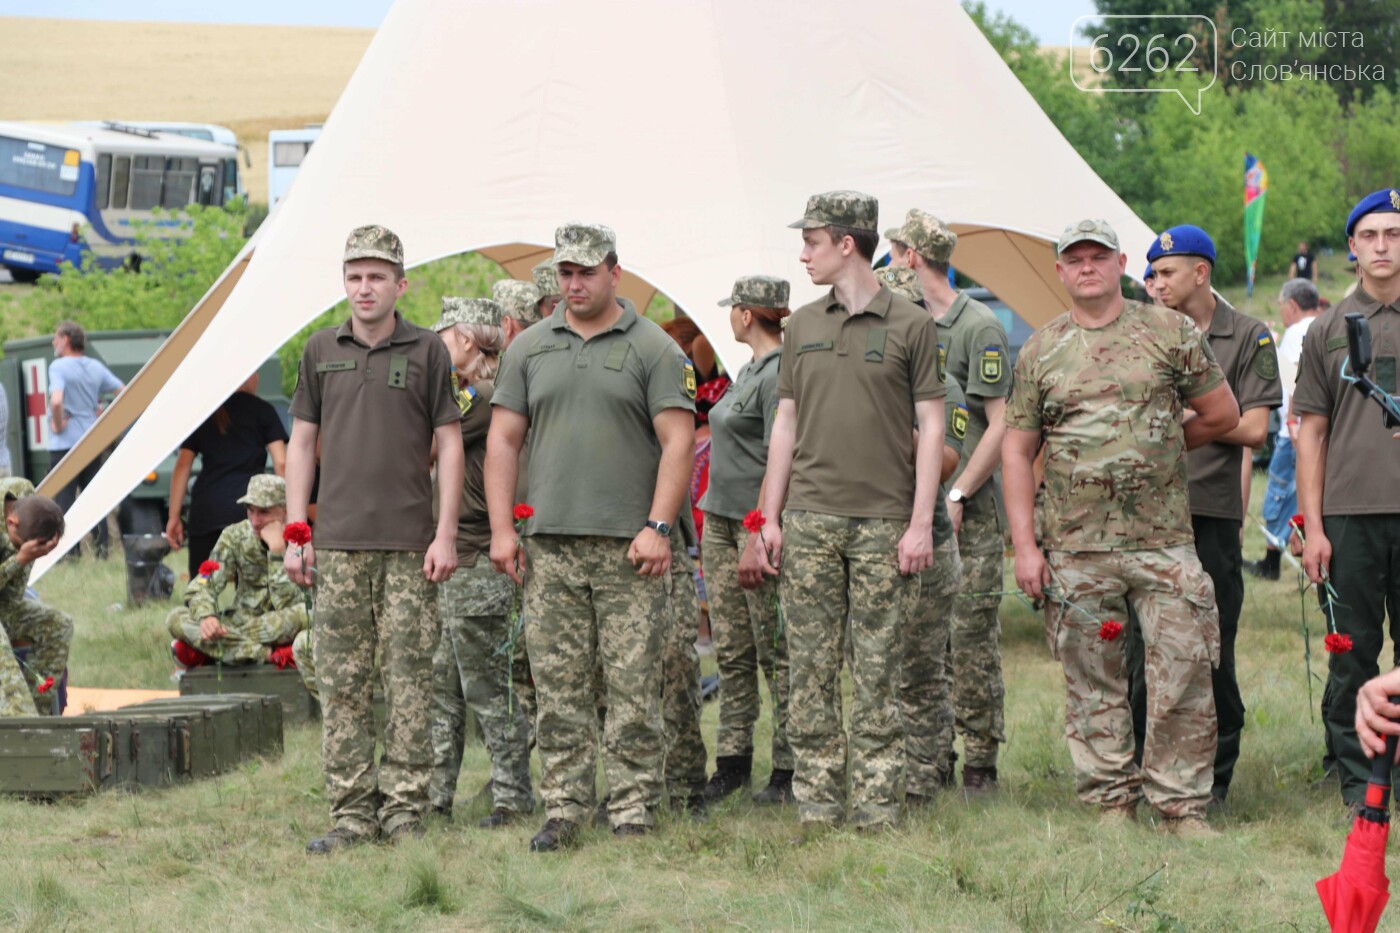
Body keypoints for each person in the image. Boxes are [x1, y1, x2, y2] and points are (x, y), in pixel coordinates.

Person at [1002, 219, 1239, 836]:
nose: (1087, 267)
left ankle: (1181, 807)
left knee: (1184, 670)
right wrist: (1025, 547)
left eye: (1098, 256)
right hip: (1076, 547)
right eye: (1074, 258)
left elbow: (1221, 412)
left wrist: (1156, 450)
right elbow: (1016, 451)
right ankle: (1110, 800)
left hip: (1163, 543)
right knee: (1091, 677)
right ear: (1059, 270)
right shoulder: (1041, 349)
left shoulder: (1168, 330)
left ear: (1121, 263)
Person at [486, 222, 695, 851]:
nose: (573, 284)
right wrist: (502, 530)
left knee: (633, 686)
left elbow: (678, 441)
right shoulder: (530, 349)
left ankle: (632, 807)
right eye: (564, 274)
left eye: (585, 272)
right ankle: (565, 807)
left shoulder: (655, 348)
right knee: (558, 687)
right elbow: (502, 439)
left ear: (614, 273)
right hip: (548, 546)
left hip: (630, 549)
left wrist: (659, 526)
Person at [758, 191, 945, 831]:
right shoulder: (802, 326)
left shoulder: (912, 324)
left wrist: (921, 523)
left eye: (811, 241)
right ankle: (816, 801)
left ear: (846, 244)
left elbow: (931, 423)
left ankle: (874, 805)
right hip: (809, 517)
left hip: (884, 523)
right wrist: (769, 517)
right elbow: (785, 424)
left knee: (878, 667)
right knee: (808, 669)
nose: (802, 254)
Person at [285, 225, 463, 854]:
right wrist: (296, 530)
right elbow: (303, 444)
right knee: (344, 683)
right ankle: (353, 814)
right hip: (335, 545)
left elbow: (449, 442)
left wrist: (445, 534)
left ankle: (405, 812)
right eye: (355, 276)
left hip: (411, 545)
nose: (365, 288)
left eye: (377, 276)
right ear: (345, 282)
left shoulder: (428, 353)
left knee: (411, 679)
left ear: (400, 284)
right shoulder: (319, 349)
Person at [1136, 224, 1280, 807]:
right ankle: (1145, 771)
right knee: (1140, 648)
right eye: (1151, 274)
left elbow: (1252, 426)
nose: (1155, 284)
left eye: (1167, 273)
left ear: (1201, 273)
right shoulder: (1137, 334)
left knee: (1211, 644)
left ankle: (1215, 778)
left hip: (1209, 510)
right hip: (1142, 514)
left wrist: (1169, 433)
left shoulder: (1247, 336)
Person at [888, 207, 1011, 793]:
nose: (889, 261)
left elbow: (1001, 424)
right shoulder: (899, 321)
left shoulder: (975, 325)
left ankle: (981, 760)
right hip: (915, 509)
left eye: (894, 251)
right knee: (922, 641)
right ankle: (931, 757)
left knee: (969, 638)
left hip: (972, 514)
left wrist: (958, 492)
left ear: (912, 256)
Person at [1294, 188, 1400, 813]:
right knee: (1353, 649)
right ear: (1354, 247)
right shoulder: (1328, 330)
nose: (1384, 246)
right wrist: (1314, 525)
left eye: (1395, 233)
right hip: (1350, 516)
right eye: (1372, 235)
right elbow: (1312, 431)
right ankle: (1359, 776)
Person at [424, 296, 535, 830]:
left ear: (466, 341)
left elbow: (423, 445)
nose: (433, 346)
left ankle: (513, 798)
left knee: (488, 689)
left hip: (474, 561)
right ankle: (434, 796)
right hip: (460, 562)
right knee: (445, 688)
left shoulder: (481, 395)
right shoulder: (475, 394)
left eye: (441, 336)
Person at [698, 274, 793, 805]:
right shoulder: (748, 371)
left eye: (732, 310)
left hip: (751, 523)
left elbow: (777, 455)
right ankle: (732, 762)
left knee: (774, 650)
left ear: (746, 314)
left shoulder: (780, 372)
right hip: (720, 519)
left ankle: (788, 767)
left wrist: (759, 532)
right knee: (733, 651)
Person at [903, 377, 970, 803]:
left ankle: (926, 777)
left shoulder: (942, 384)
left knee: (923, 671)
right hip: (868, 536)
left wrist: (886, 412)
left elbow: (947, 462)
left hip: (931, 545)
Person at [166, 474, 308, 667]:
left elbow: (288, 603)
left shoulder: (302, 539)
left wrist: (277, 553)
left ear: (285, 511)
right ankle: (270, 655)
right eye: (250, 511)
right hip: (243, 620)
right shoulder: (235, 535)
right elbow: (204, 583)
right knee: (175, 617)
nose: (255, 521)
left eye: (264, 512)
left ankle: (211, 650)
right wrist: (207, 617)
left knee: (306, 615)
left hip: (285, 623)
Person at [166, 372, 289, 576]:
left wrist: (173, 516)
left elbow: (182, 465)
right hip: (250, 510)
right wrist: (285, 509)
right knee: (254, 584)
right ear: (246, 375)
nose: (258, 378)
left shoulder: (203, 412)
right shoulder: (263, 410)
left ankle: (198, 608)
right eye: (256, 373)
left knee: (202, 582)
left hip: (207, 509)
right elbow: (282, 462)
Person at [1245, 278, 1323, 580]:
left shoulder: (1295, 332)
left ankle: (1271, 562)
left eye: (1282, 306)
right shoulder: (1327, 324)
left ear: (1292, 305)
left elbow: (1294, 378)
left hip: (1296, 431)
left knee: (1278, 491)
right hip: (1317, 430)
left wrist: (1291, 420)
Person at [47, 320, 124, 559]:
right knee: (93, 496)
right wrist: (103, 416)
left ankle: (69, 553)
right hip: (92, 440)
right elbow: (123, 391)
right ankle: (102, 550)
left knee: (65, 499)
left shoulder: (58, 367)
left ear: (66, 340)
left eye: (56, 338)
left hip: (65, 444)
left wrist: (58, 424)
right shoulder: (95, 366)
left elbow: (57, 400)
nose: (53, 342)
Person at [0, 494, 69, 715]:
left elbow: (12, 598)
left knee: (60, 624)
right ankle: (20, 720)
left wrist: (26, 557)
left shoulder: (30, 508)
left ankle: (38, 712)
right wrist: (19, 559)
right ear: (11, 522)